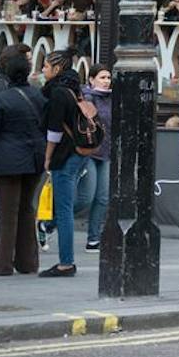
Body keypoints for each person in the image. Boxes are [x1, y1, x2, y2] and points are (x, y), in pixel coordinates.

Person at [0, 48, 46, 277]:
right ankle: (28, 262)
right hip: (34, 158)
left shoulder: (1, 98)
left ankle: (2, 264)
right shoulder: (39, 96)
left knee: (7, 213)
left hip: (6, 161)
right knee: (27, 209)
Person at [40, 50, 96, 277]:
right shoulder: (75, 90)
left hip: (65, 154)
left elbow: (54, 131)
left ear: (57, 69)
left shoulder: (57, 93)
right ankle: (50, 231)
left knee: (64, 210)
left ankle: (66, 263)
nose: (42, 70)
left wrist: (47, 157)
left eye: (45, 66)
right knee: (68, 206)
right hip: (80, 151)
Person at [74, 63, 112, 251]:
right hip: (88, 151)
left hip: (106, 152)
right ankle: (49, 224)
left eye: (108, 78)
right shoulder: (87, 97)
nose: (106, 81)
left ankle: (94, 239)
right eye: (102, 77)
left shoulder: (112, 98)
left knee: (103, 198)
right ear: (91, 79)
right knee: (86, 197)